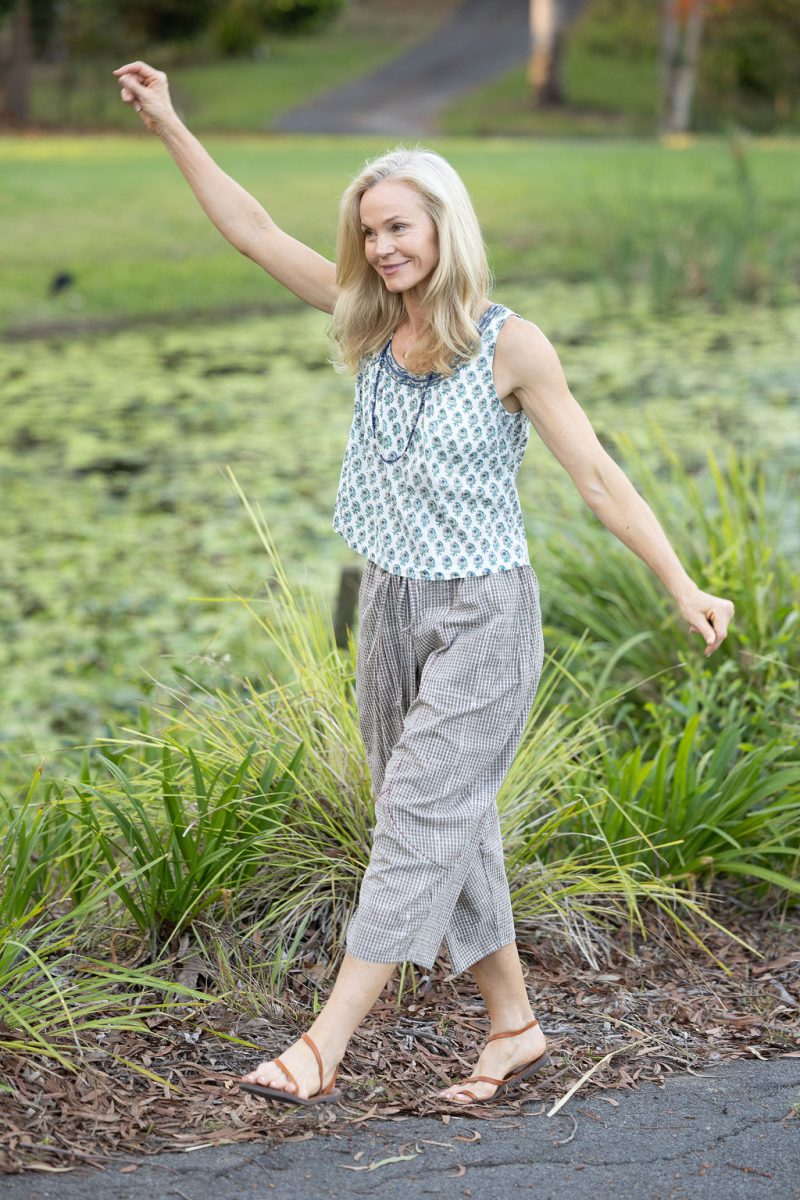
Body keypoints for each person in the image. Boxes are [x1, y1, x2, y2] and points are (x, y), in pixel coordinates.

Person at [113, 61, 735, 1108]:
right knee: (453, 821)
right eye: (368, 231)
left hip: (484, 615)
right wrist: (171, 121)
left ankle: (321, 1044)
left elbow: (594, 475)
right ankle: (513, 1025)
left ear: (444, 226)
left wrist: (678, 582)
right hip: (393, 606)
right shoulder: (367, 323)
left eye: (399, 226)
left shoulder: (510, 345)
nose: (381, 247)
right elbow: (255, 233)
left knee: (412, 816)